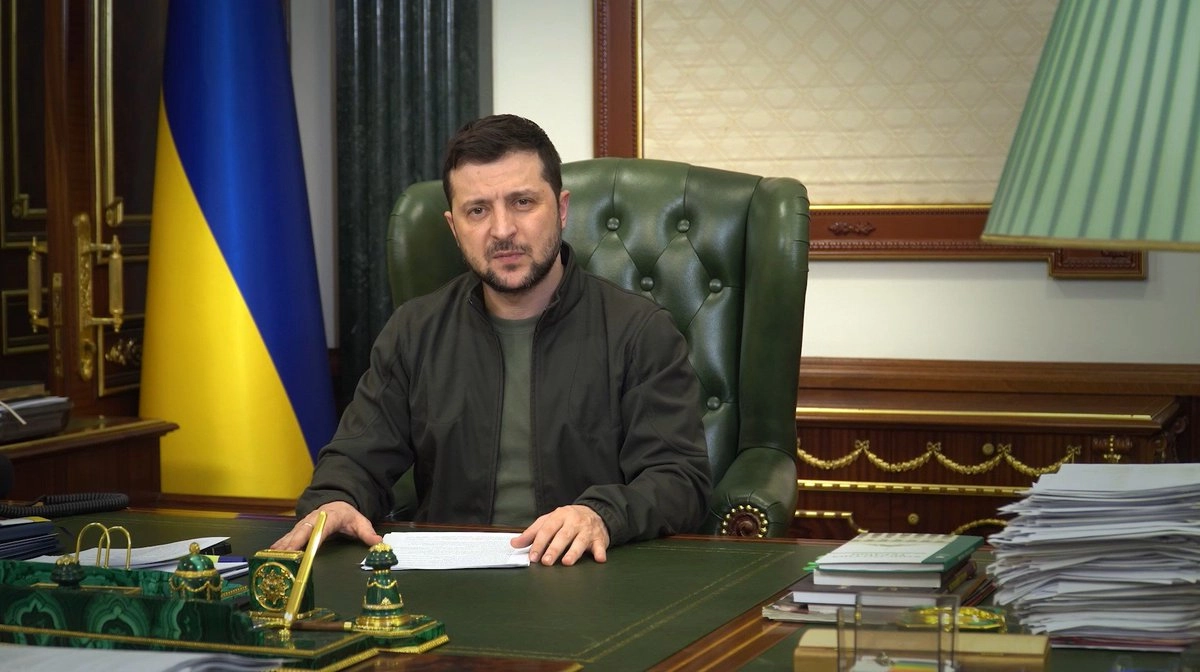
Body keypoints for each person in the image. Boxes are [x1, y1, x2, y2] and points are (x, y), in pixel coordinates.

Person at [272, 114, 711, 566]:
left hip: (585, 573)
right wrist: (338, 499)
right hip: (449, 581)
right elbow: (356, 458)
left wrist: (601, 515)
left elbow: (680, 481)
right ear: (453, 227)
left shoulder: (639, 331)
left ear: (561, 209)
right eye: (477, 210)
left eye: (522, 202)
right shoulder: (414, 331)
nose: (502, 230)